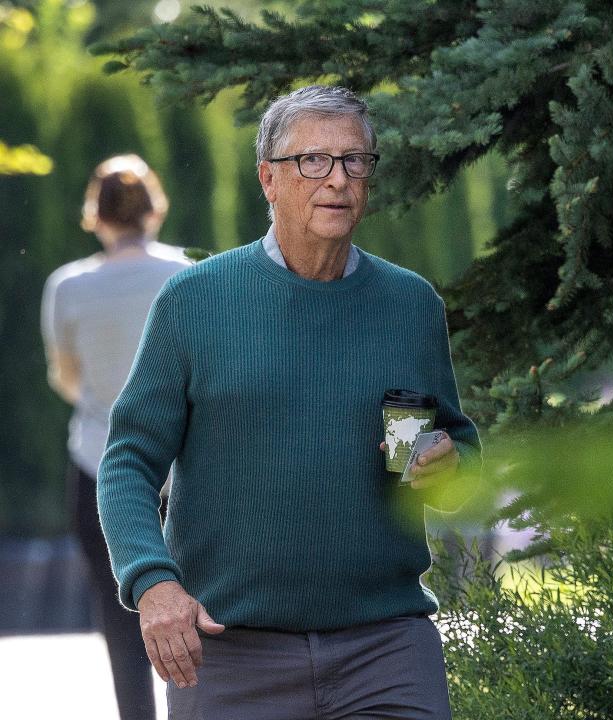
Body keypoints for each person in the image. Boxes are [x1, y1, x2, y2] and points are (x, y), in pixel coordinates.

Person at [97, 85, 482, 719]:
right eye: (314, 161)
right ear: (268, 179)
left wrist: (450, 462)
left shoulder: (410, 305)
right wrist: (154, 582)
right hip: (231, 653)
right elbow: (128, 461)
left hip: (385, 647)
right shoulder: (193, 304)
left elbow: (452, 447)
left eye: (355, 160)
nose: (337, 179)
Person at [41, 154, 191, 720]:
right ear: (154, 209)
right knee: (193, 613)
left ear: (94, 214)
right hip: (181, 472)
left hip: (96, 466)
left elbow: (66, 378)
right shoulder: (186, 276)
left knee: (118, 612)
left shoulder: (68, 286)